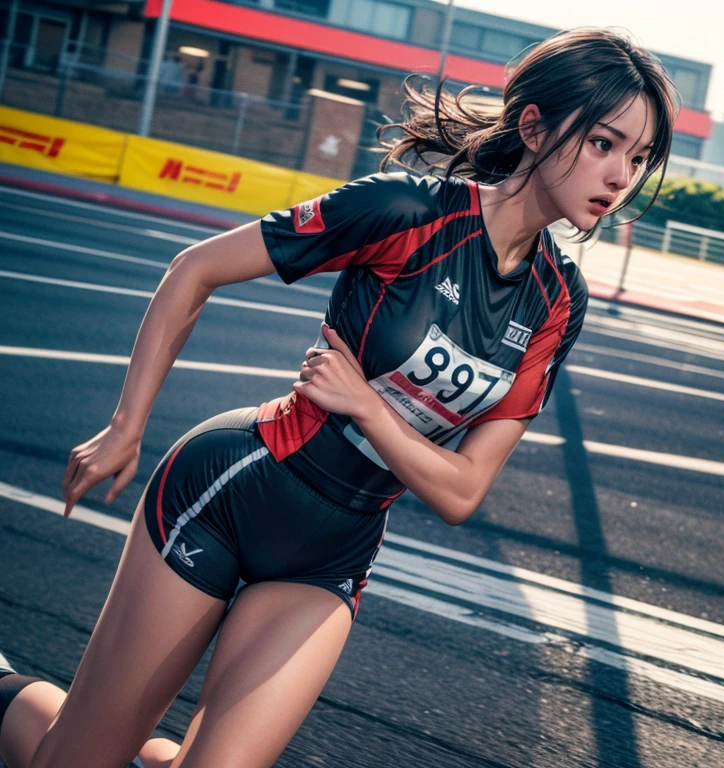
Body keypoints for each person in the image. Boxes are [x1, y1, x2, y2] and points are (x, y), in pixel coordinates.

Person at [0, 27, 678, 768]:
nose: (620, 177)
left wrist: (365, 405)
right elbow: (194, 271)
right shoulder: (406, 212)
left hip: (333, 555)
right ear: (534, 126)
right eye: (606, 144)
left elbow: (462, 491)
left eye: (638, 159)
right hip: (230, 494)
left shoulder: (557, 302)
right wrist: (125, 428)